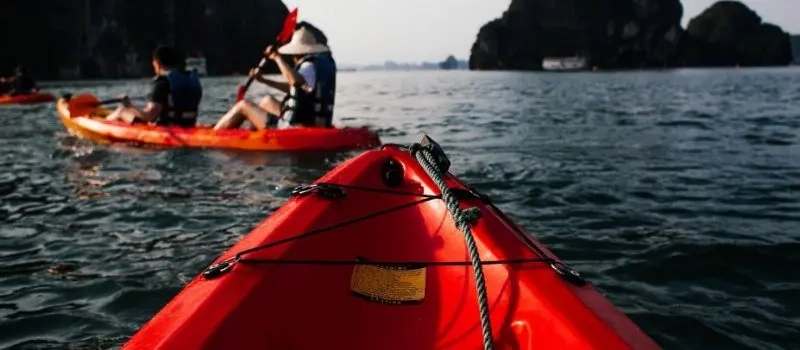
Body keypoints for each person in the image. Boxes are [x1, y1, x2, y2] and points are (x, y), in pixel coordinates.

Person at [213, 26, 337, 130]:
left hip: (294, 128)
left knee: (243, 105)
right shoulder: (314, 67)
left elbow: (294, 81)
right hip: (310, 122)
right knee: (267, 101)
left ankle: (214, 135)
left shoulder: (307, 67)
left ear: (296, 53)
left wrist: (276, 57)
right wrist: (264, 80)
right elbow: (294, 88)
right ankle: (254, 136)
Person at [106, 45, 203, 127]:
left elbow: (150, 116)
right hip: (188, 126)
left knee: (121, 111)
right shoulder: (191, 79)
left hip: (167, 129)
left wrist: (129, 106)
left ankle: (103, 123)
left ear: (157, 64)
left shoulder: (162, 82)